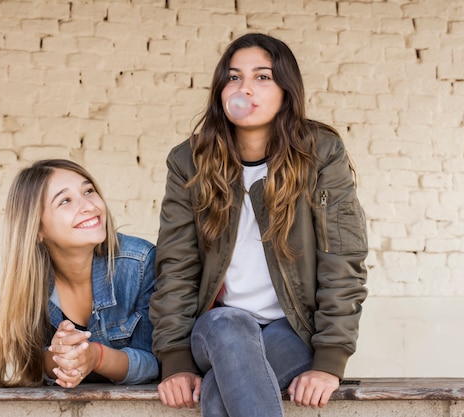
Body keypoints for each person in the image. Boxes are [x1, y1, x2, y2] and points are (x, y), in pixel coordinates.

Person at [149, 33, 368, 416]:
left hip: (293, 328)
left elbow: (342, 260)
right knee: (231, 324)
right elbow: (176, 265)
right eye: (233, 78)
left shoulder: (320, 154)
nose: (245, 88)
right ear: (221, 91)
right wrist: (176, 360)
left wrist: (329, 360)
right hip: (215, 329)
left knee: (221, 391)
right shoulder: (190, 162)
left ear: (286, 89)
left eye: (262, 77)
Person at [0, 159, 158, 388]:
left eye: (89, 191)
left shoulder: (140, 262)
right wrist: (58, 357)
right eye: (65, 200)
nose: (89, 205)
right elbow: (29, 363)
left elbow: (155, 363)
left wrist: (96, 357)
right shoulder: (31, 283)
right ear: (37, 228)